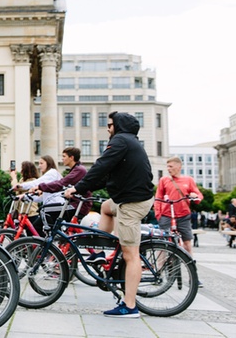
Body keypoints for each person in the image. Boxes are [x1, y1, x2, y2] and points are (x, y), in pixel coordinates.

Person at [65, 112, 154, 318]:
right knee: (106, 207)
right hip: (128, 197)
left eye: (110, 124)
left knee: (131, 255)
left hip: (132, 203)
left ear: (119, 126)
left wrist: (77, 188)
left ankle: (130, 306)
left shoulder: (120, 141)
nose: (108, 128)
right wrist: (85, 188)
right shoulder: (129, 142)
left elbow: (100, 166)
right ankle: (102, 253)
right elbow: (106, 177)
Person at [155, 156, 202, 257]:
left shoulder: (188, 180)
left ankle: (191, 265)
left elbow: (198, 196)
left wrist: (195, 196)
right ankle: (159, 268)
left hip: (183, 215)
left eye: (171, 166)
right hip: (166, 215)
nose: (168, 169)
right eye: (167, 166)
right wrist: (158, 214)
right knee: (162, 243)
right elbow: (158, 198)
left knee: (187, 243)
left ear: (179, 167)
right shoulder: (164, 180)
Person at [34, 147, 91, 227]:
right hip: (75, 204)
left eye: (64, 156)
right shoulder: (76, 169)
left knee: (44, 210)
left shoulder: (79, 170)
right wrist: (43, 190)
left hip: (78, 205)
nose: (62, 159)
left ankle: (49, 236)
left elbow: (61, 183)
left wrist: (40, 187)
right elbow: (63, 185)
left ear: (71, 158)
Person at [12, 155, 63, 236]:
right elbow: (41, 198)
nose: (39, 166)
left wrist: (21, 186)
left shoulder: (52, 173)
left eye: (41, 163)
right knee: (45, 231)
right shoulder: (50, 175)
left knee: (36, 228)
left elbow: (37, 183)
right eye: (39, 163)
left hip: (54, 207)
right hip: (52, 207)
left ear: (48, 163)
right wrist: (25, 197)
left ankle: (45, 247)